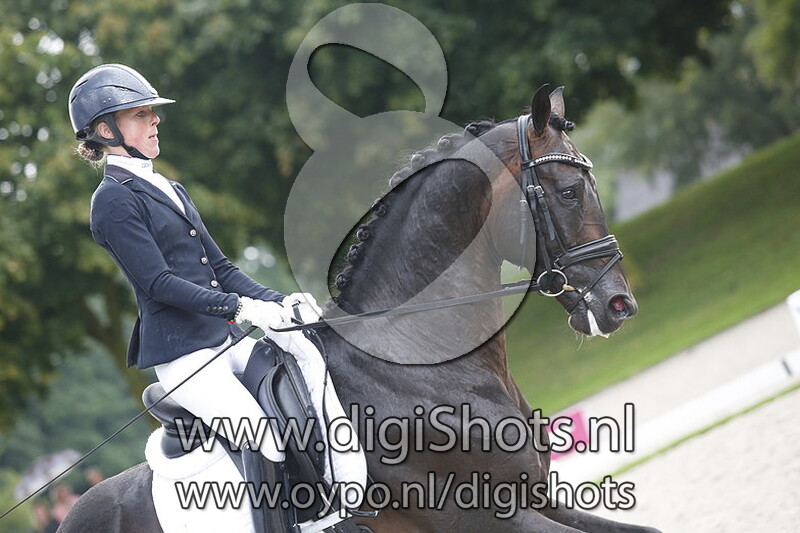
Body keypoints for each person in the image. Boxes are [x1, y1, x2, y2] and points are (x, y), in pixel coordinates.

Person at [67, 64, 365, 490]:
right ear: (106, 130)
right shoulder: (112, 200)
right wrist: (241, 308)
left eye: (152, 112)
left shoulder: (171, 188)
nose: (155, 120)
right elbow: (158, 283)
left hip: (224, 338)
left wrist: (280, 301)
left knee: (306, 375)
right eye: (140, 114)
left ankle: (342, 496)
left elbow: (221, 269)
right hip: (184, 354)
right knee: (264, 440)